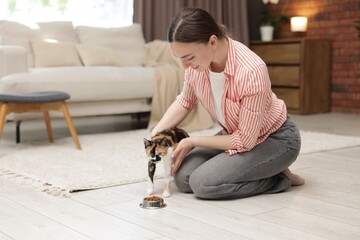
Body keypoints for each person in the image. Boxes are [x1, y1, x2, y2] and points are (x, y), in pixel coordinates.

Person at [151, 7, 305, 200]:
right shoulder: (196, 66)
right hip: (235, 134)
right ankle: (260, 169)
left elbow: (244, 141)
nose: (185, 66)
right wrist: (155, 133)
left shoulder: (251, 71)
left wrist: (191, 141)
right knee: (182, 178)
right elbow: (185, 101)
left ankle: (278, 178)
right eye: (180, 59)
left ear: (212, 42)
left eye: (189, 58)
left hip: (275, 139)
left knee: (202, 184)